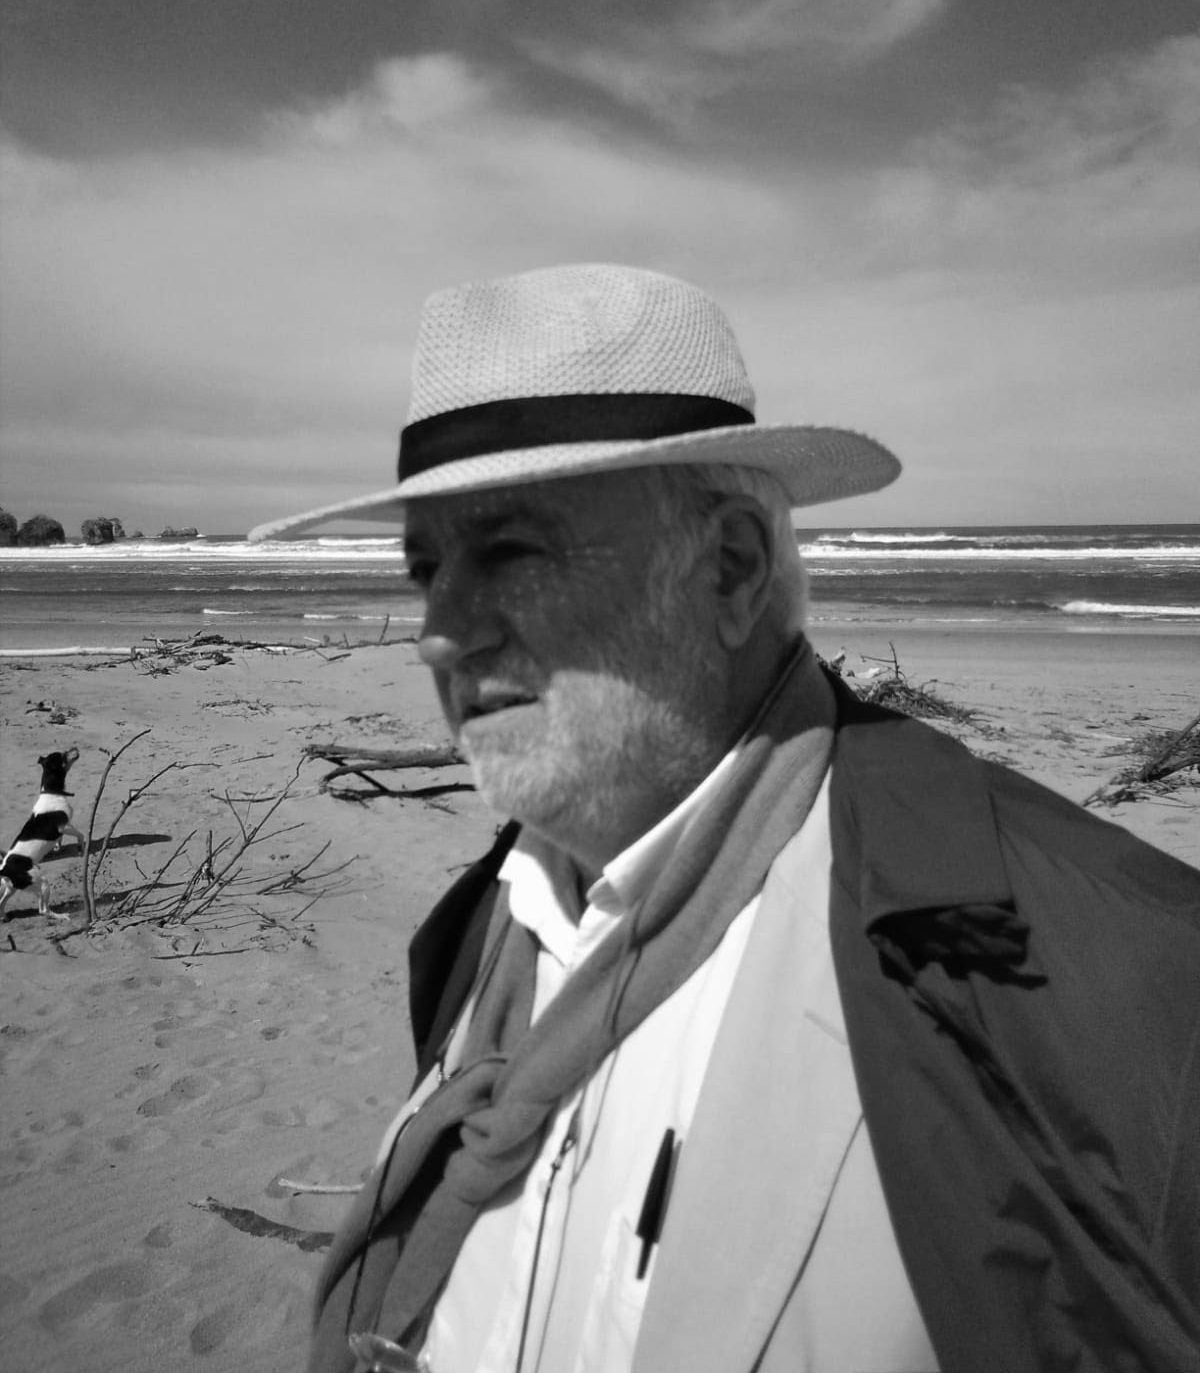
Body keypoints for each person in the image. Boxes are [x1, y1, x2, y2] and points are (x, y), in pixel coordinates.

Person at [252, 265, 1200, 1373]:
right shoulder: (483, 932)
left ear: (732, 569)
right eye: (426, 569)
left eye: (510, 553)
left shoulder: (1095, 967)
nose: (439, 630)